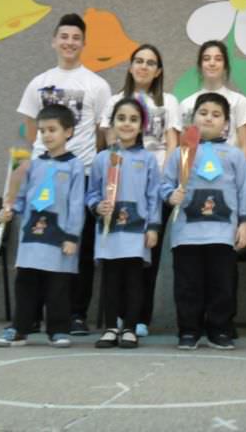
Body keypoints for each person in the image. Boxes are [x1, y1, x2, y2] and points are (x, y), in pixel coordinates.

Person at [16, 13, 111, 335]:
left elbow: (101, 132)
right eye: (64, 36)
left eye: (76, 38)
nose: (70, 42)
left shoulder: (97, 85)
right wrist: (44, 158)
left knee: (78, 244)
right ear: (54, 41)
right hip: (43, 173)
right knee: (38, 241)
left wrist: (82, 161)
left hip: (81, 172)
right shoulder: (38, 82)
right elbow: (31, 129)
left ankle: (75, 314)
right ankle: (30, 316)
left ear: (84, 43)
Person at [99, 44, 179, 337]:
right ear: (131, 66)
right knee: (117, 255)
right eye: (139, 61)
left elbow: (173, 144)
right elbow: (109, 143)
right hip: (121, 187)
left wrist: (165, 181)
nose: (144, 66)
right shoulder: (115, 101)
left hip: (155, 187)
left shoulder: (168, 101)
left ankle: (140, 318)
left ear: (158, 71)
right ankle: (116, 317)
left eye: (151, 63)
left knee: (148, 254)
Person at [162, 93, 246, 350]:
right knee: (187, 284)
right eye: (203, 113)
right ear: (193, 119)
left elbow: (244, 190)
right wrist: (170, 195)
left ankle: (219, 329)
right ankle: (189, 330)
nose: (208, 118)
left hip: (223, 233)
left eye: (216, 114)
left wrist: (245, 223)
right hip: (187, 233)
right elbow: (165, 184)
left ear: (226, 123)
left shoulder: (235, 155)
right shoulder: (180, 154)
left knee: (222, 284)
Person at [0, 105, 85, 348]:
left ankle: (58, 330)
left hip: (60, 236)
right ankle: (19, 329)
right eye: (42, 130)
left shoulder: (75, 166)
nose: (46, 135)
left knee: (58, 287)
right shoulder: (31, 164)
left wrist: (72, 236)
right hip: (31, 236)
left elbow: (77, 204)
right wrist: (9, 210)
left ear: (68, 132)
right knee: (26, 284)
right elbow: (21, 196)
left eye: (52, 130)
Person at [88, 97, 161, 349]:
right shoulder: (101, 159)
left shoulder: (148, 159)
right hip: (109, 231)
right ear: (112, 123)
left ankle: (130, 327)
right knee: (110, 280)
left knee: (134, 280)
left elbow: (153, 196)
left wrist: (153, 227)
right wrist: (97, 206)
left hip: (136, 230)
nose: (127, 124)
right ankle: (111, 327)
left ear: (142, 126)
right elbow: (92, 193)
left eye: (133, 119)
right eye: (121, 118)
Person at [178, 40, 246, 161]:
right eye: (206, 59)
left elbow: (244, 146)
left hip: (228, 168)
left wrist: (242, 171)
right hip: (196, 168)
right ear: (200, 65)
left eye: (218, 59)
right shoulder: (186, 104)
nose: (212, 63)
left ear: (225, 66)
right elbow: (184, 147)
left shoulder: (239, 101)